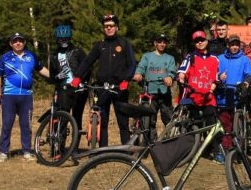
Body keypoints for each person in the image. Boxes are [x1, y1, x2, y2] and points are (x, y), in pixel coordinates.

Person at [72, 14, 137, 146]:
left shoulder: (124, 43)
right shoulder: (100, 45)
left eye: (111, 26)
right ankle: (103, 151)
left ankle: (127, 151)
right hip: (102, 88)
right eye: (106, 26)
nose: (109, 28)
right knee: (103, 122)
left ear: (116, 27)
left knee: (122, 122)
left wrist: (126, 80)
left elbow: (132, 64)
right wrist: (78, 77)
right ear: (103, 29)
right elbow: (87, 61)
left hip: (120, 88)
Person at [0, 32, 50, 162]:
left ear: (24, 43)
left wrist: (54, 77)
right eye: (15, 41)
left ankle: (26, 151)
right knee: (7, 124)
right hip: (9, 96)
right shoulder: (5, 58)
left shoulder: (31, 56)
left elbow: (41, 69)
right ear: (11, 43)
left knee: (26, 125)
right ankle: (3, 152)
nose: (18, 43)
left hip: (26, 97)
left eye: (20, 41)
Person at [177, 31, 221, 160]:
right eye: (197, 41)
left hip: (208, 98)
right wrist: (181, 76)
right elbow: (182, 71)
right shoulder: (190, 57)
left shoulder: (215, 59)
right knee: (194, 126)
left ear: (207, 41)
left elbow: (216, 78)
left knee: (211, 125)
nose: (200, 43)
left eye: (202, 40)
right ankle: (190, 152)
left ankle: (216, 151)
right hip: (193, 97)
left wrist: (212, 88)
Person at [216, 34, 251, 162]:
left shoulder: (244, 59)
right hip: (223, 95)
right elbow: (213, 73)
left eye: (237, 45)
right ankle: (225, 149)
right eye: (232, 44)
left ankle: (238, 149)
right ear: (228, 45)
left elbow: (249, 74)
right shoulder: (220, 58)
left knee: (236, 124)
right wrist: (218, 77)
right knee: (225, 124)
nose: (234, 47)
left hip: (237, 95)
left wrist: (246, 83)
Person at [48, 24, 87, 129]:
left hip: (79, 89)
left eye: (66, 39)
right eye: (61, 40)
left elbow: (87, 68)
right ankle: (61, 142)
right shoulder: (54, 55)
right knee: (63, 117)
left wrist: (82, 80)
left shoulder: (78, 51)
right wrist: (57, 77)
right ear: (57, 39)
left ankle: (76, 143)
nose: (64, 42)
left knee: (77, 117)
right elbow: (51, 78)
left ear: (70, 38)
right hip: (63, 89)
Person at [133, 33, 177, 128]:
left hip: (164, 93)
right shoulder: (147, 56)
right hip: (149, 93)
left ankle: (169, 140)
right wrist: (138, 74)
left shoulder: (170, 58)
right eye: (159, 42)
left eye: (164, 42)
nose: (162, 44)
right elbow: (141, 66)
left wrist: (169, 77)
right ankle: (150, 141)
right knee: (149, 120)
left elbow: (172, 71)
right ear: (155, 43)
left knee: (168, 118)